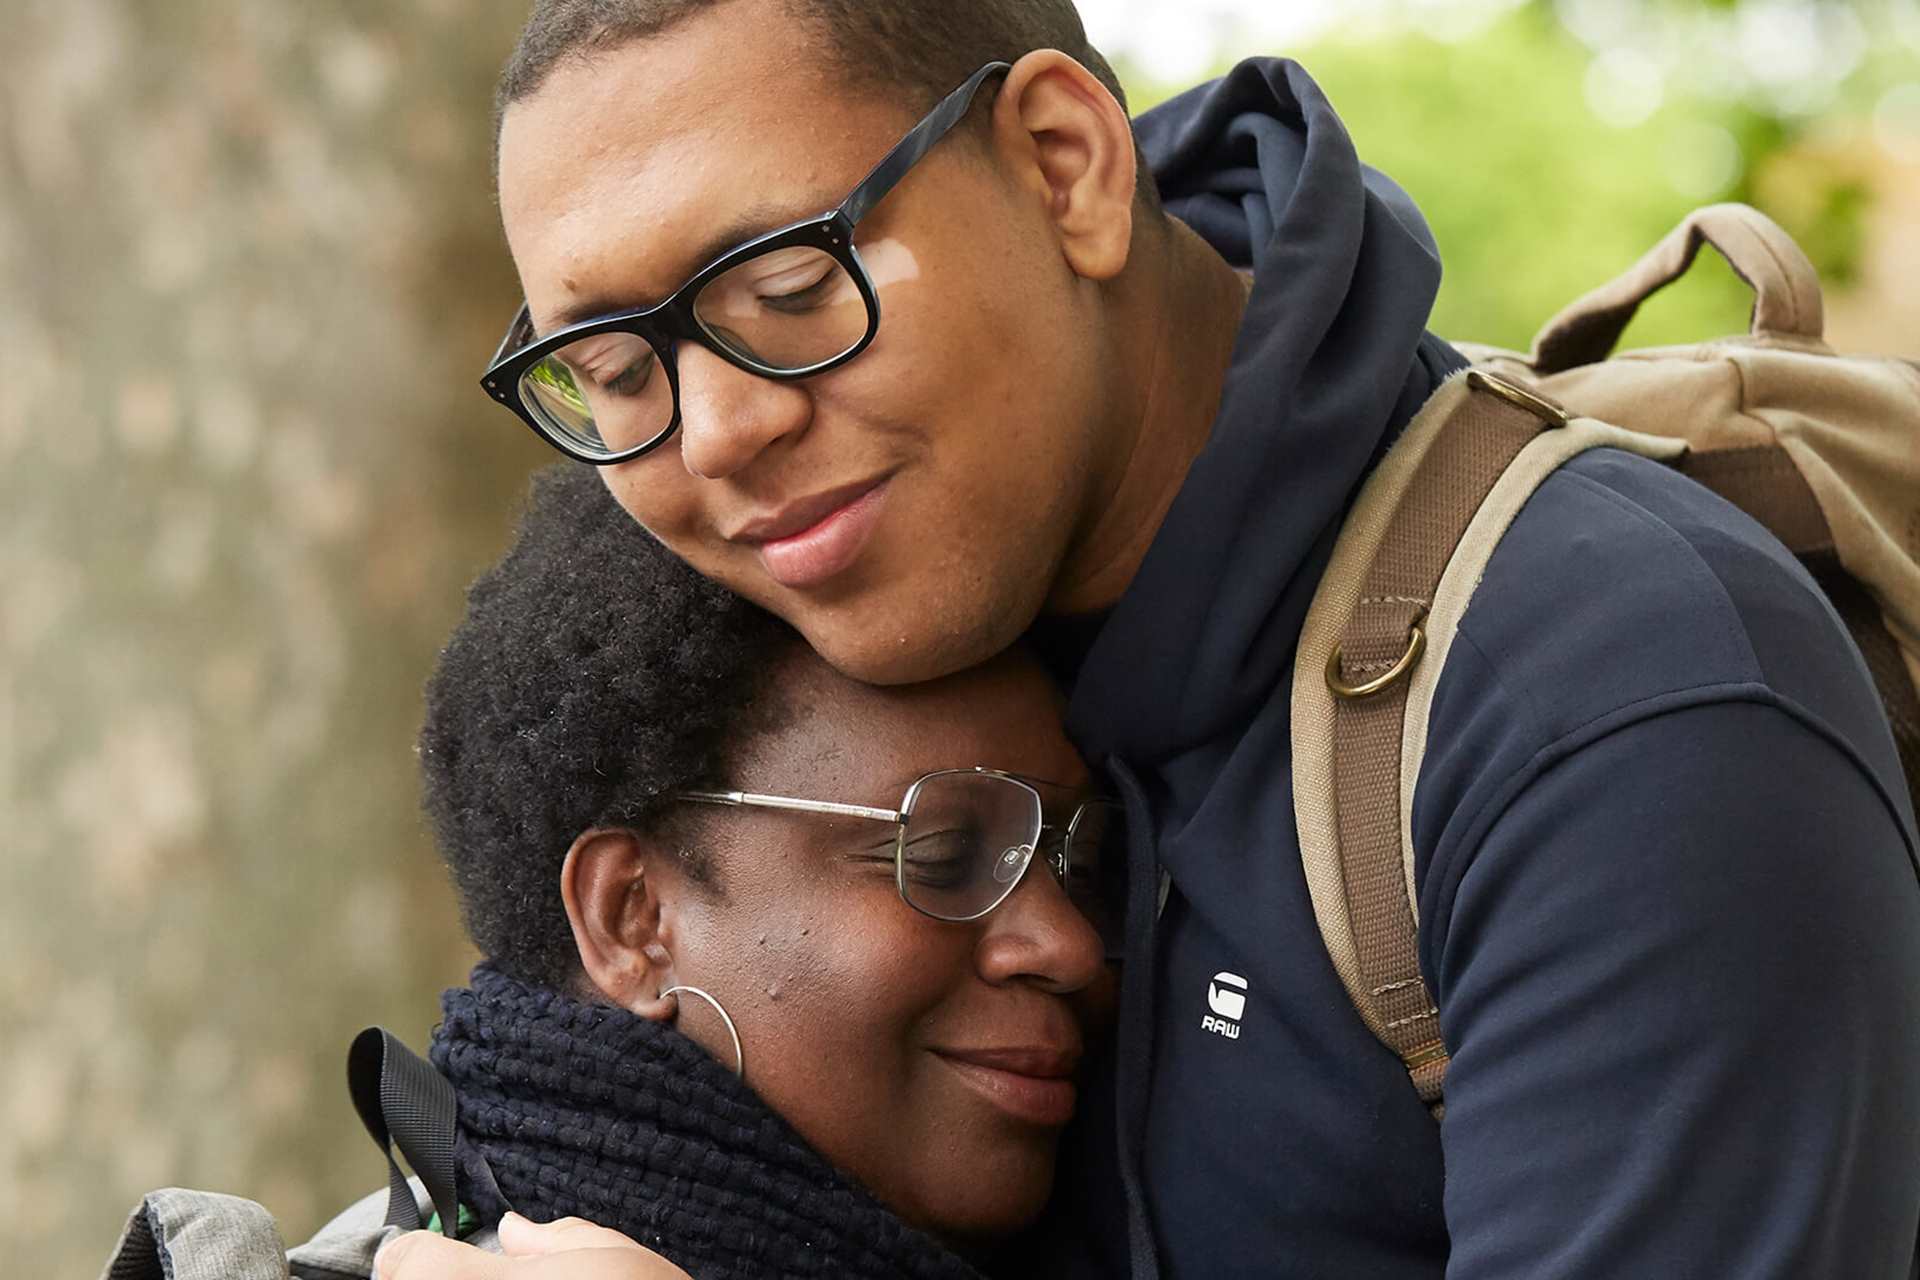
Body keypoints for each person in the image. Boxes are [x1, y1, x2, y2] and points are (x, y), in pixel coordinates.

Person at [391, 0, 1920, 1275]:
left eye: (790, 290)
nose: (716, 433)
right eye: (608, 368)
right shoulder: (846, 615)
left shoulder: (1614, 713)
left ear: (1065, 168)